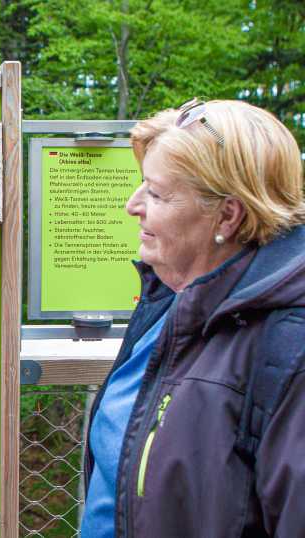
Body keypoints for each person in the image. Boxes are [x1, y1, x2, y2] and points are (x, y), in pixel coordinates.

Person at [80, 99, 305, 537]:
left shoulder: (288, 347)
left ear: (227, 214)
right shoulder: (171, 301)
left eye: (157, 193)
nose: (132, 205)